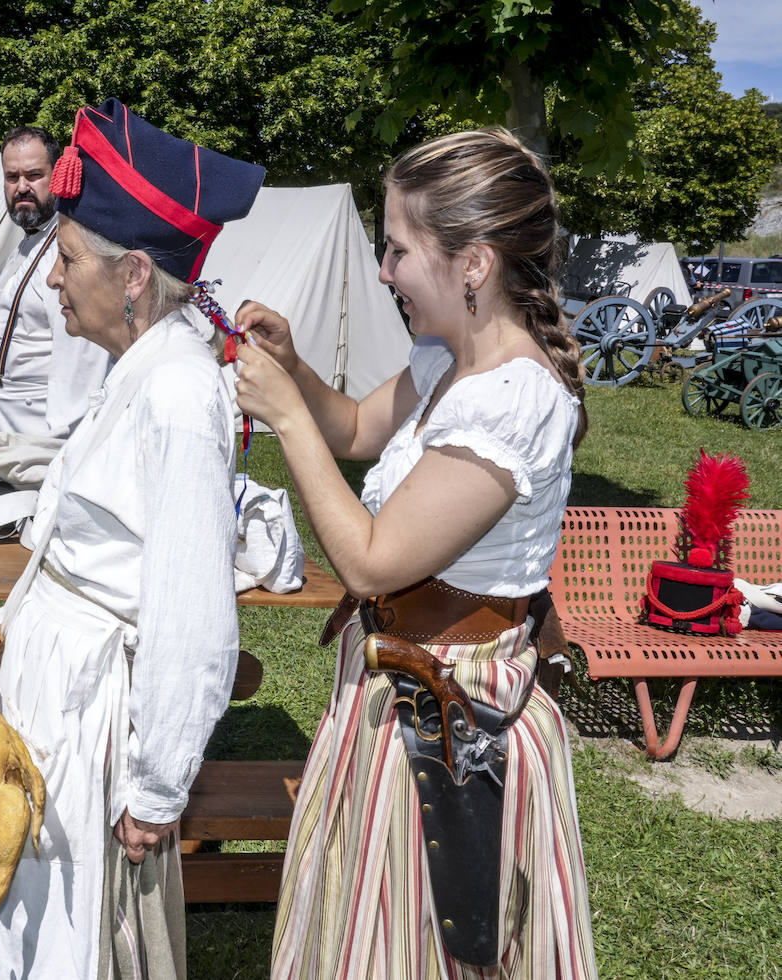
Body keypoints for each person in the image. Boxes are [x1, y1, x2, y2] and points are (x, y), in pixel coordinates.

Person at [234, 129, 598, 978]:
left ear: (473, 264)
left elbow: (369, 562)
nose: (386, 269)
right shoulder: (449, 360)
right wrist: (295, 366)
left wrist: (284, 417)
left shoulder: (516, 400)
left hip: (454, 721)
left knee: (430, 939)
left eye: (398, 250)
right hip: (398, 687)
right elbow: (358, 428)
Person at [0, 98, 264, 979]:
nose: (53, 279)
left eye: (68, 260)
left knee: (77, 934)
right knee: (32, 917)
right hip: (54, 683)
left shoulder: (181, 395)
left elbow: (193, 617)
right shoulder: (138, 372)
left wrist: (155, 791)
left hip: (95, 713)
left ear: (134, 276)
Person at [0, 125, 111, 436]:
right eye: (12, 177)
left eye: (34, 175)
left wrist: (62, 440)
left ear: (57, 175)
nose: (21, 187)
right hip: (4, 418)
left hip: (39, 427)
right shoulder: (29, 241)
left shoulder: (70, 251)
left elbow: (81, 363)